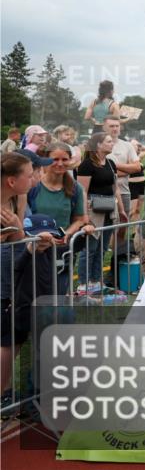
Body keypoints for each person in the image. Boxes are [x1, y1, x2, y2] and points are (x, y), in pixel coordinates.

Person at [1, 151, 52, 397]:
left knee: (13, 338)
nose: (34, 179)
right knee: (7, 340)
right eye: (30, 175)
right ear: (12, 180)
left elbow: (17, 240)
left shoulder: (15, 201)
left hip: (12, 277)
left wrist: (21, 232)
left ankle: (6, 392)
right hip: (6, 281)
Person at [28, 141, 94, 295]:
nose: (60, 163)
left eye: (64, 159)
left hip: (62, 249)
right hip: (36, 248)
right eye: (55, 159)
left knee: (59, 291)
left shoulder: (75, 188)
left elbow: (79, 218)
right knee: (36, 292)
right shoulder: (33, 187)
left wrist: (67, 233)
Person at [76, 132, 127, 290]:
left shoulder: (111, 163)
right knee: (90, 248)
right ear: (98, 145)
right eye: (109, 141)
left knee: (103, 247)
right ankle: (84, 284)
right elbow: (82, 191)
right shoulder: (87, 165)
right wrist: (85, 216)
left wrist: (122, 210)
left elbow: (115, 188)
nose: (112, 144)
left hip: (109, 208)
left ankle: (96, 281)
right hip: (93, 210)